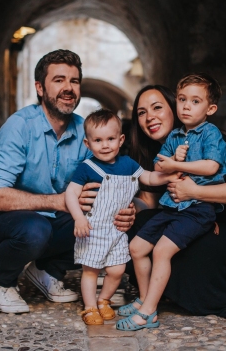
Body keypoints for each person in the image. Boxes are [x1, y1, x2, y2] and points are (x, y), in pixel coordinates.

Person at [0, 50, 135, 314]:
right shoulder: (19, 127)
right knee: (35, 229)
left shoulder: (85, 132)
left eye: (74, 81)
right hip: (0, 224)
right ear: (40, 87)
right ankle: (1, 279)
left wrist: (127, 208)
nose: (68, 88)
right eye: (59, 80)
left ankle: (47, 270)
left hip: (52, 219)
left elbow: (105, 182)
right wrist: (58, 201)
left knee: (97, 216)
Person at [123, 80, 226, 319]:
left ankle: (212, 292)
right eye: (142, 112)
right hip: (195, 217)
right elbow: (151, 202)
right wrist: (131, 209)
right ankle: (155, 294)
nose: (149, 117)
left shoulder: (213, 140)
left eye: (157, 107)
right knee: (141, 229)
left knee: (179, 249)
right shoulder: (156, 154)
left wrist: (194, 192)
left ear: (175, 108)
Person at [117, 73, 226, 330]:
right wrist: (171, 158)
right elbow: (159, 164)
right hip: (173, 207)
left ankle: (148, 312)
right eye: (182, 99)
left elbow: (211, 167)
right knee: (136, 247)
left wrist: (178, 163)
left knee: (161, 251)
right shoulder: (176, 135)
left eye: (195, 101)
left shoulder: (212, 134)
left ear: (210, 109)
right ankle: (144, 298)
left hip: (197, 210)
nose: (187, 106)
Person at [65, 109, 180, 325]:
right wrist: (79, 218)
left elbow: (149, 177)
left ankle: (104, 300)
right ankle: (90, 307)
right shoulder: (86, 168)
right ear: (88, 144)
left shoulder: (128, 164)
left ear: (121, 139)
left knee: (117, 270)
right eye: (98, 140)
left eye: (110, 139)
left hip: (117, 231)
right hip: (93, 230)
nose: (105, 145)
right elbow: (71, 193)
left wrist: (170, 173)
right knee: (90, 271)